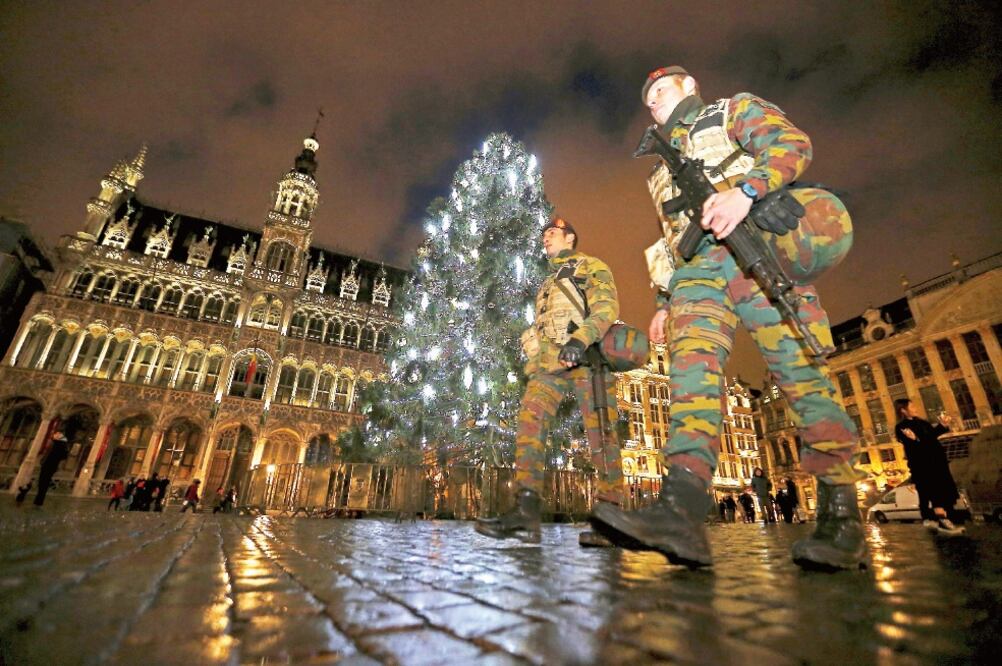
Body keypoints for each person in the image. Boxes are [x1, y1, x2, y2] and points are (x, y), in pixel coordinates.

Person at [590, 65, 864, 571]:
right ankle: (681, 509)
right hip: (696, 273)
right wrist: (664, 301)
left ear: (690, 86)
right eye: (647, 98)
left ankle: (841, 513)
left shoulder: (730, 110)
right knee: (690, 377)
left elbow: (790, 144)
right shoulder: (657, 170)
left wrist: (749, 191)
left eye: (662, 90)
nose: (653, 101)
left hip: (756, 249)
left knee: (800, 374)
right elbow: (672, 237)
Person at [475, 217, 622, 546]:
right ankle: (526, 513)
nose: (545, 238)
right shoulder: (547, 282)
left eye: (552, 233)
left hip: (588, 358)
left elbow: (606, 307)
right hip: (549, 363)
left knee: (601, 433)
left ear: (570, 238)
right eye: (543, 234)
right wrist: (532, 342)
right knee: (529, 421)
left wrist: (581, 339)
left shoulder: (590, 265)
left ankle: (610, 518)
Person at [894, 399, 964, 536]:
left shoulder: (922, 422)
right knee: (936, 493)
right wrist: (915, 440)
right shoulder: (902, 427)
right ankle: (943, 522)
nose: (915, 407)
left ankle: (937, 520)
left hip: (938, 462)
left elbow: (932, 435)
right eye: (911, 405)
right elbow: (912, 448)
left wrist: (942, 425)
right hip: (925, 465)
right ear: (903, 409)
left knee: (944, 493)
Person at [33, 431, 70, 507]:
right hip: (49, 464)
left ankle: (39, 500)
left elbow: (62, 456)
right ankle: (39, 500)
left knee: (44, 482)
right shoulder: (56, 444)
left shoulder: (60, 445)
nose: (54, 435)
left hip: (50, 465)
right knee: (43, 482)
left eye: (57, 434)